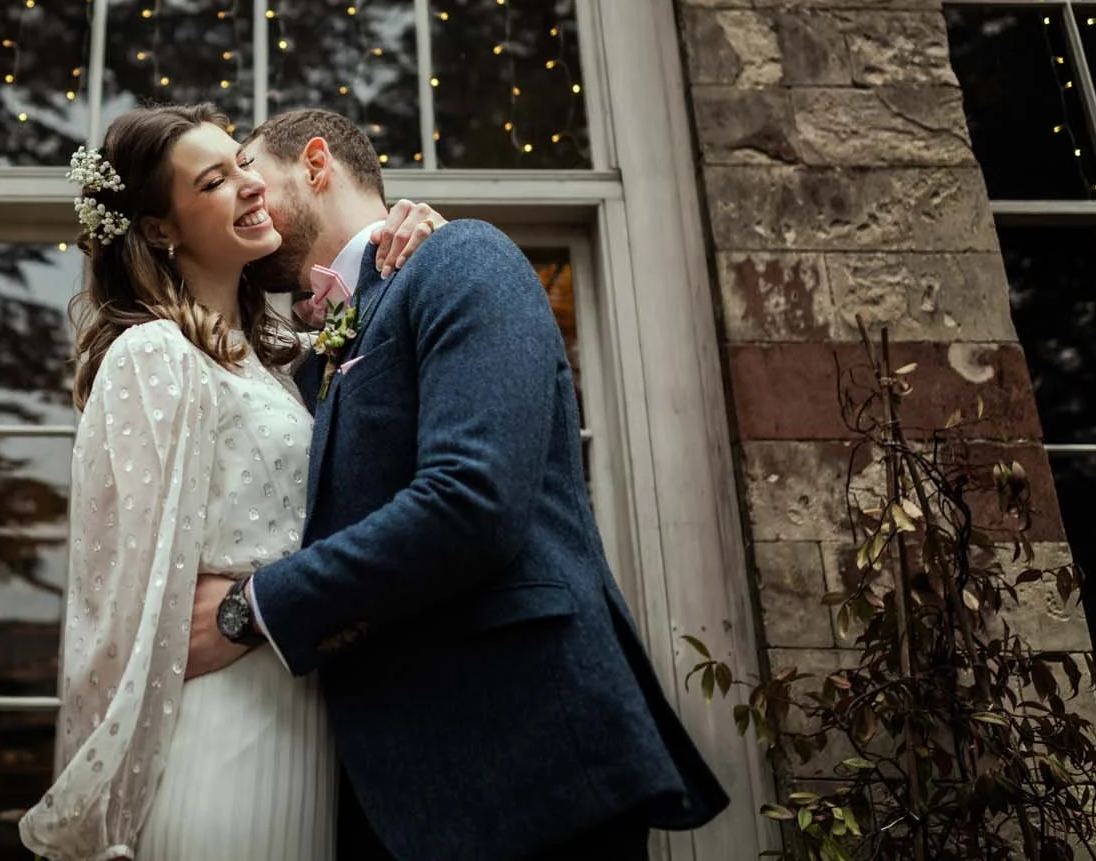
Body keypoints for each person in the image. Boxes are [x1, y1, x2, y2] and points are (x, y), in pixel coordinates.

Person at [182, 108, 730, 861]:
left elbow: (470, 501)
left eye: (249, 167)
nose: (240, 191)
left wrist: (251, 607)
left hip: (523, 758)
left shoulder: (464, 258)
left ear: (316, 163)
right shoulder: (308, 365)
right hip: (384, 788)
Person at [17, 103, 443, 861]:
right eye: (214, 180)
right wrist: (105, 803)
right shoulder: (153, 354)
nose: (250, 186)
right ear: (159, 229)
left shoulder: (280, 360)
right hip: (220, 717)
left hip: (303, 708)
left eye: (243, 165)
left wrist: (415, 236)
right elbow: (121, 604)